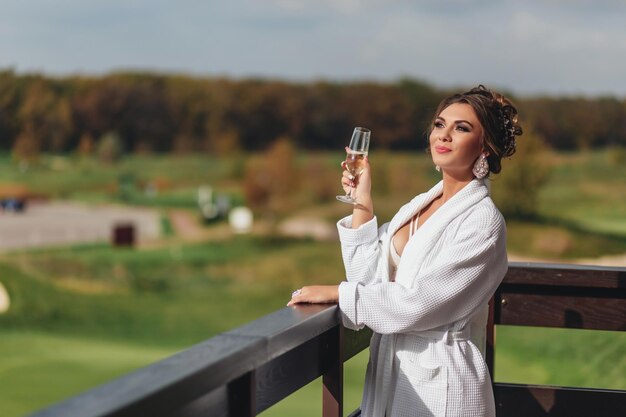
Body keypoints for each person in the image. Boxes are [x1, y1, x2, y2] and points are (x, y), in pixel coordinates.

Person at [287, 85, 523, 417]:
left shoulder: (483, 223)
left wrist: (337, 294)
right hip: (392, 380)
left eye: (462, 128)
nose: (444, 135)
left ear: (484, 148)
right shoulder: (420, 205)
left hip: (442, 393)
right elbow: (367, 280)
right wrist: (362, 201)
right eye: (440, 125)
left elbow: (417, 305)